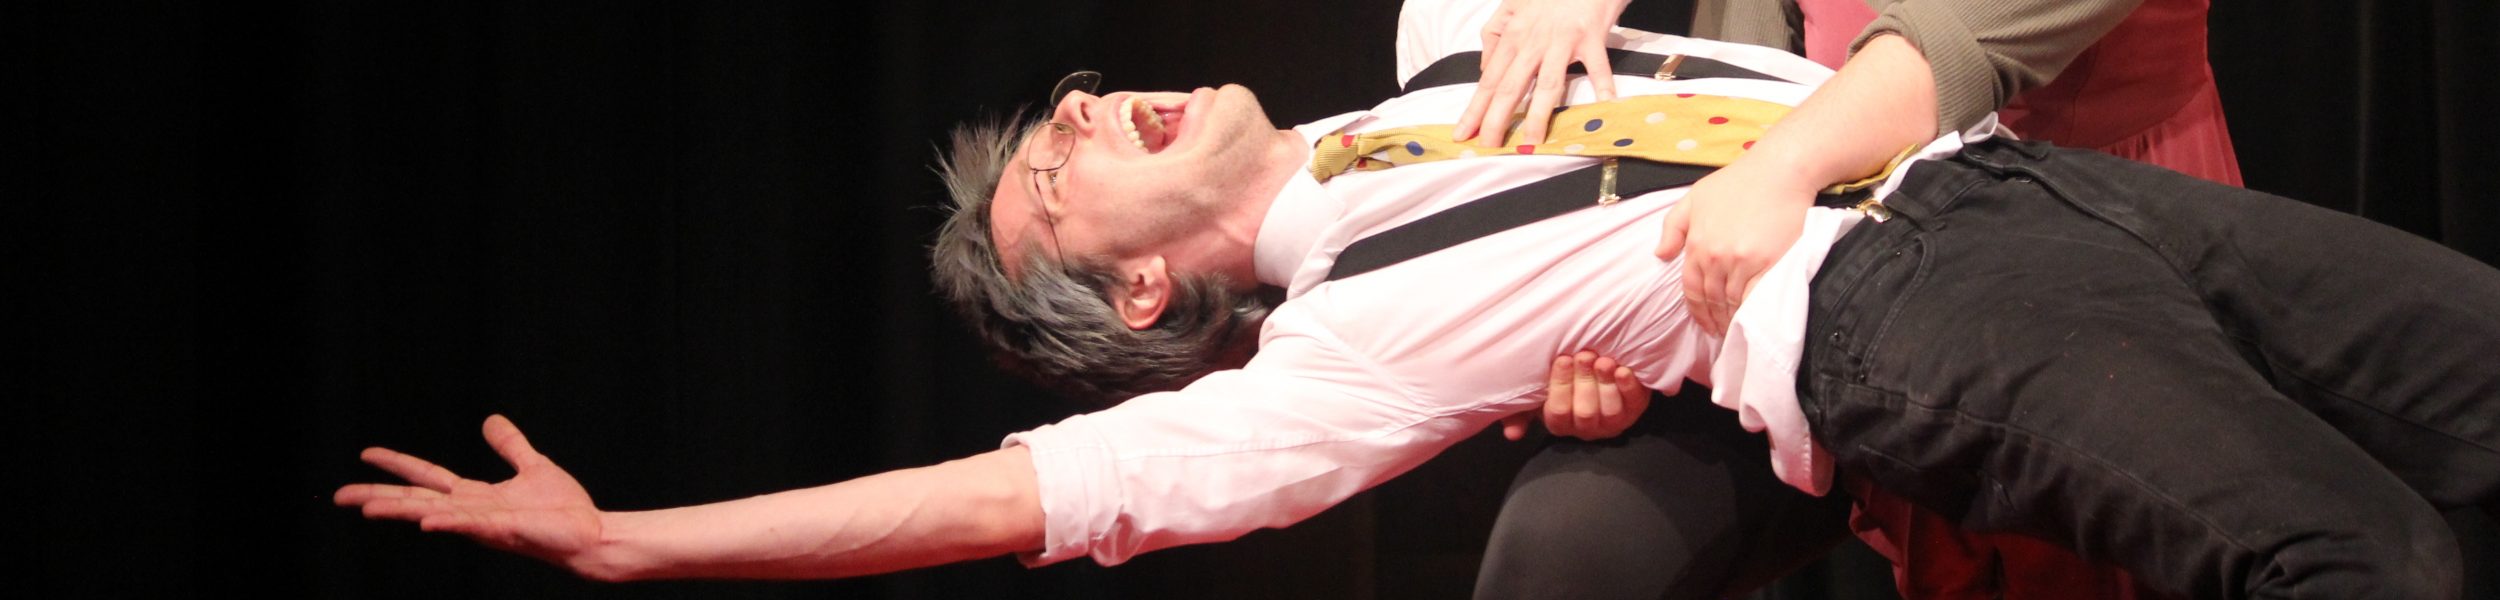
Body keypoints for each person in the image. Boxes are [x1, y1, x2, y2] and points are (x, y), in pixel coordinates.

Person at [336, 0, 2499, 595]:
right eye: (1063, 177)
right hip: (1900, 309)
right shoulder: (1329, 357)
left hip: (2023, 176)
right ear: (1147, 289)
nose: (1080, 109)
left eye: (1061, 109)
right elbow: (1001, 498)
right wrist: (638, 541)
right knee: (2357, 560)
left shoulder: (1440, 52)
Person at [1462, 0, 2242, 597]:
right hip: (1791, 251)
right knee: (1564, 552)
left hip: (2063, 253)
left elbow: (1957, 44)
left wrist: (1779, 171)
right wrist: (1626, 334)